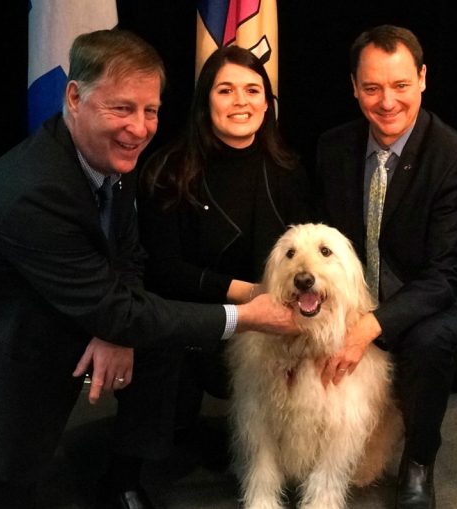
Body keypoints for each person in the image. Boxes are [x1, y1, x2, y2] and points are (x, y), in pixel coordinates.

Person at [0, 29, 297, 509]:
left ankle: (123, 478)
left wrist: (115, 329)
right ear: (75, 97)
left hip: (55, 318)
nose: (139, 127)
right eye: (121, 108)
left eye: (150, 110)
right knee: (6, 487)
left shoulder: (115, 156)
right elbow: (127, 297)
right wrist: (249, 314)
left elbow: (128, 254)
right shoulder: (33, 193)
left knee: (147, 336)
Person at [103, 45, 315, 509]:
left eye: (252, 90)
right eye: (226, 89)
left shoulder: (289, 171)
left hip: (268, 319)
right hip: (187, 315)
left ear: (266, 102)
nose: (240, 101)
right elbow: (163, 268)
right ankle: (124, 477)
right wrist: (250, 297)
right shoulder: (168, 170)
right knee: (162, 356)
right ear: (205, 102)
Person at [314, 25, 457, 508]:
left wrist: (368, 327)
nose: (387, 101)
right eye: (372, 87)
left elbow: (445, 275)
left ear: (422, 78)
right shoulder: (333, 148)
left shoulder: (456, 158)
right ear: (354, 87)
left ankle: (418, 459)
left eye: (400, 85)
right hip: (364, 291)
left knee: (430, 341)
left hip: (435, 290)